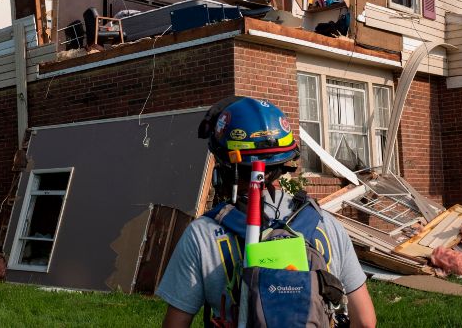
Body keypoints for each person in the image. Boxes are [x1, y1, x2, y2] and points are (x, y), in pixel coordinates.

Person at [157, 96, 376, 328]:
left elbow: (176, 324)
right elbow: (365, 321)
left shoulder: (202, 234)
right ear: (285, 161)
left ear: (223, 164)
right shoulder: (325, 224)